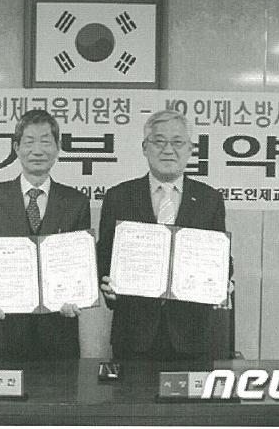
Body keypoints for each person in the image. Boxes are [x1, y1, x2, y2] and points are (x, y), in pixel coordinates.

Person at [97, 109, 233, 361]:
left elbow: (222, 259)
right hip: (133, 333)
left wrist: (222, 280)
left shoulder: (209, 199)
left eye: (177, 142)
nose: (168, 150)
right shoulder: (119, 197)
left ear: (191, 149)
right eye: (159, 141)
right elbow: (104, 256)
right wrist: (108, 285)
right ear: (145, 147)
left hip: (193, 334)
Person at [0, 109, 90, 359]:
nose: (37, 151)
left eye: (46, 142)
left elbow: (82, 265)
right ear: (16, 148)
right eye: (29, 142)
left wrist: (77, 297)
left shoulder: (76, 202)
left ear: (58, 148)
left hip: (58, 334)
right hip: (3, 331)